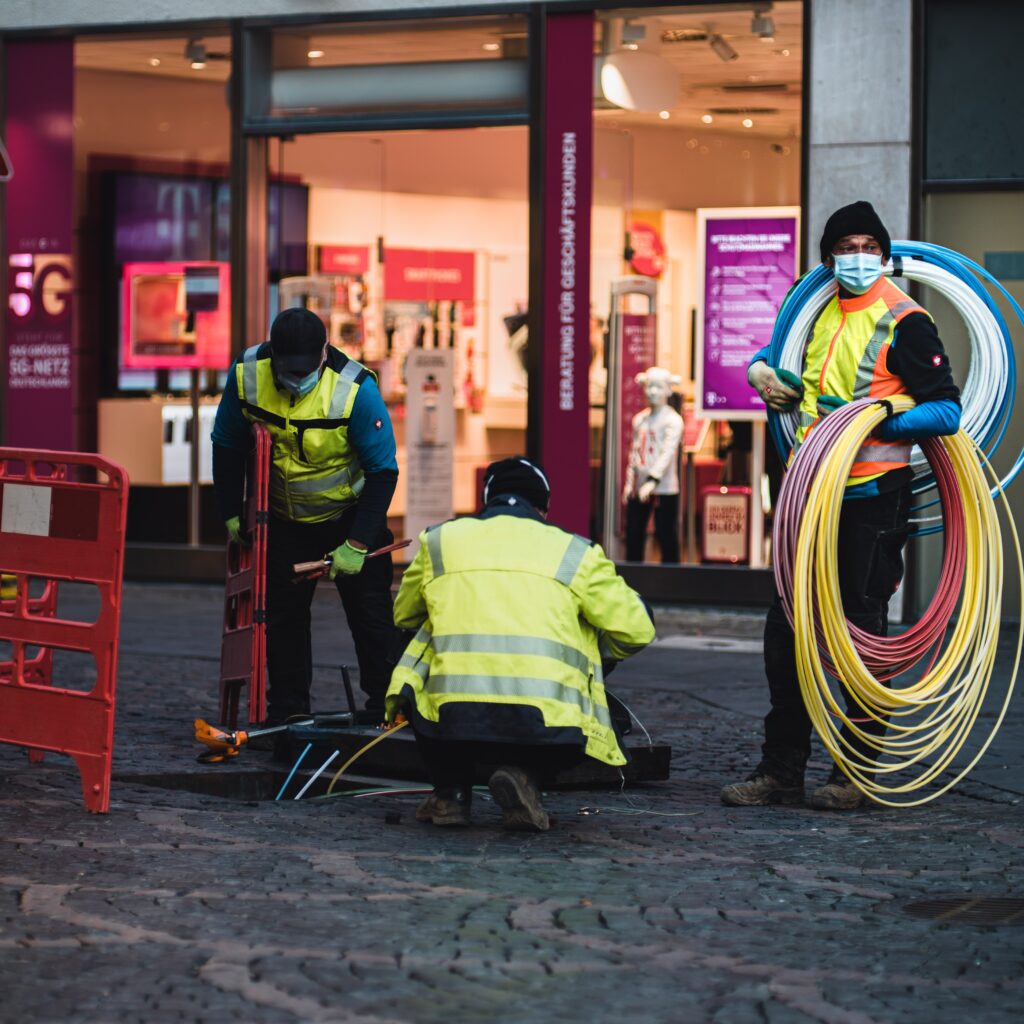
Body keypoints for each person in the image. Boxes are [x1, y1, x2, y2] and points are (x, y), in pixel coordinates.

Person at [721, 200, 961, 811]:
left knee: (859, 632)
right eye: (845, 246)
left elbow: (948, 411)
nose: (857, 257)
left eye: (867, 246)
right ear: (828, 257)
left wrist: (884, 413)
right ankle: (782, 770)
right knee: (788, 635)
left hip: (873, 499)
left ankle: (853, 771)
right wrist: (763, 373)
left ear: (883, 254)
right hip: (810, 494)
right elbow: (804, 384)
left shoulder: (906, 321)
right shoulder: (816, 314)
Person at [385, 457, 656, 831]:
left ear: (486, 500)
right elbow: (638, 630)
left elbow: (404, 616)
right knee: (588, 628)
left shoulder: (440, 541)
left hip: (451, 722)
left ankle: (452, 793)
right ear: (542, 508)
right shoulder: (576, 552)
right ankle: (525, 775)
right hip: (547, 727)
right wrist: (588, 649)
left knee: (420, 638)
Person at [212, 307, 404, 724]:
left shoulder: (355, 389)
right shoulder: (247, 374)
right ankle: (289, 715)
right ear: (272, 354)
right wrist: (230, 509)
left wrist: (357, 543)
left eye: (305, 368)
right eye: (287, 368)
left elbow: (383, 472)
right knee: (283, 622)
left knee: (371, 617)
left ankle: (385, 710)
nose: (296, 378)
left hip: (349, 516)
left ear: (324, 352)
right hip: (285, 521)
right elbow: (226, 442)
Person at [622, 367, 684, 562]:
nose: (653, 392)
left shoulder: (673, 420)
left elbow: (667, 453)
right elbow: (634, 452)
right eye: (650, 387)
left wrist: (653, 480)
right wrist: (629, 483)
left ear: (668, 390)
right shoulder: (640, 419)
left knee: (666, 534)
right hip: (639, 486)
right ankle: (634, 576)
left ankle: (672, 579)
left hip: (664, 488)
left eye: (658, 387)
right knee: (634, 534)